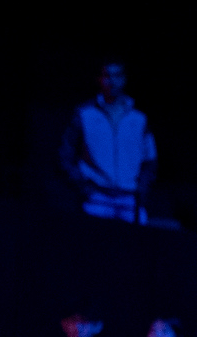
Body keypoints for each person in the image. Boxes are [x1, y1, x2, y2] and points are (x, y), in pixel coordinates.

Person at [58, 59, 157, 223]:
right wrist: (84, 187)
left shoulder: (139, 119)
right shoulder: (84, 114)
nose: (112, 81)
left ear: (124, 78)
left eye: (117, 75)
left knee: (135, 245)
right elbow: (65, 155)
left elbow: (150, 160)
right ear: (99, 79)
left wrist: (141, 190)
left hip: (130, 199)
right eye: (107, 76)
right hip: (97, 198)